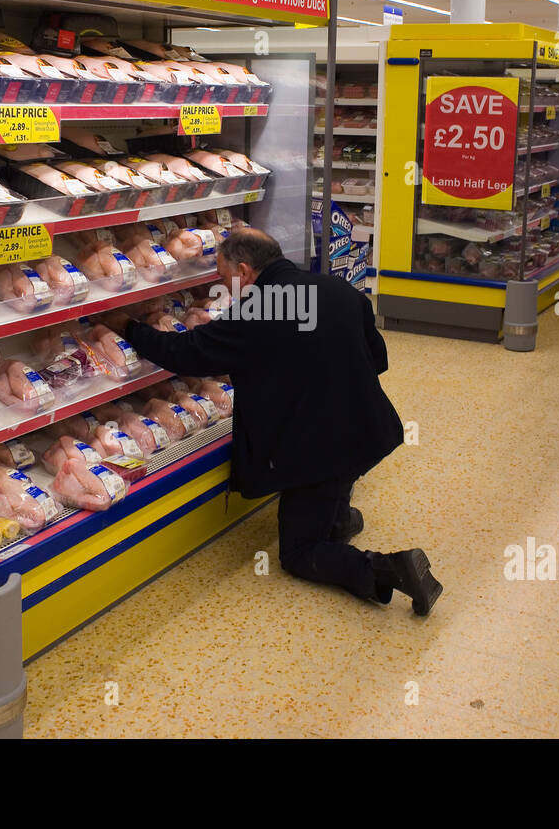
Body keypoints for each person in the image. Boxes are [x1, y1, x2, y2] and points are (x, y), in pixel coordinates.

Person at [122, 227, 443, 616]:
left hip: (320, 448)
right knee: (333, 481)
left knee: (299, 553)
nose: (226, 288)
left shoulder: (258, 310)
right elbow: (379, 359)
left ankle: (389, 568)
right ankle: (338, 518)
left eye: (225, 279)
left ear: (244, 269)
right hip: (371, 429)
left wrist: (128, 328)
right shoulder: (340, 291)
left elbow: (188, 353)